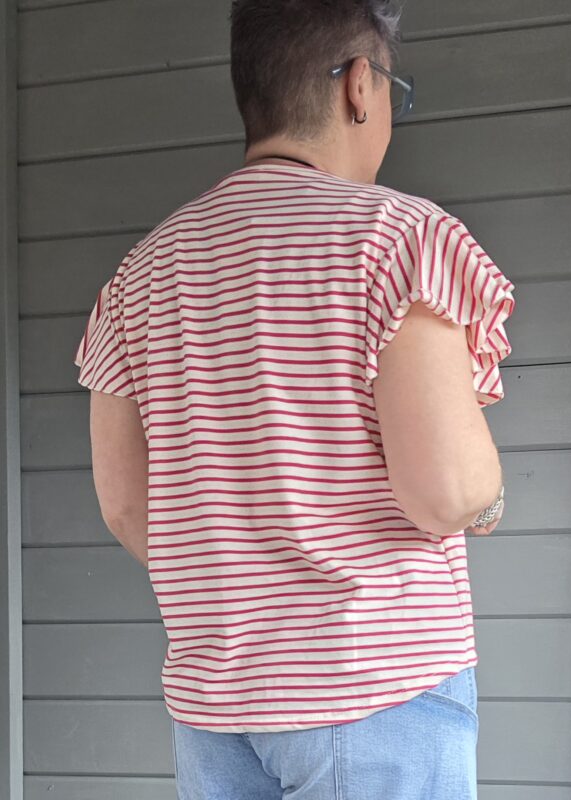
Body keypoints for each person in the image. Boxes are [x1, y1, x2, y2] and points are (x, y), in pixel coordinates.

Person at [73, 1, 515, 797]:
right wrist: (487, 503)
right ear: (358, 86)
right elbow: (446, 489)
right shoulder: (399, 241)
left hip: (217, 707)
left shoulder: (139, 278)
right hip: (373, 685)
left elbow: (128, 505)